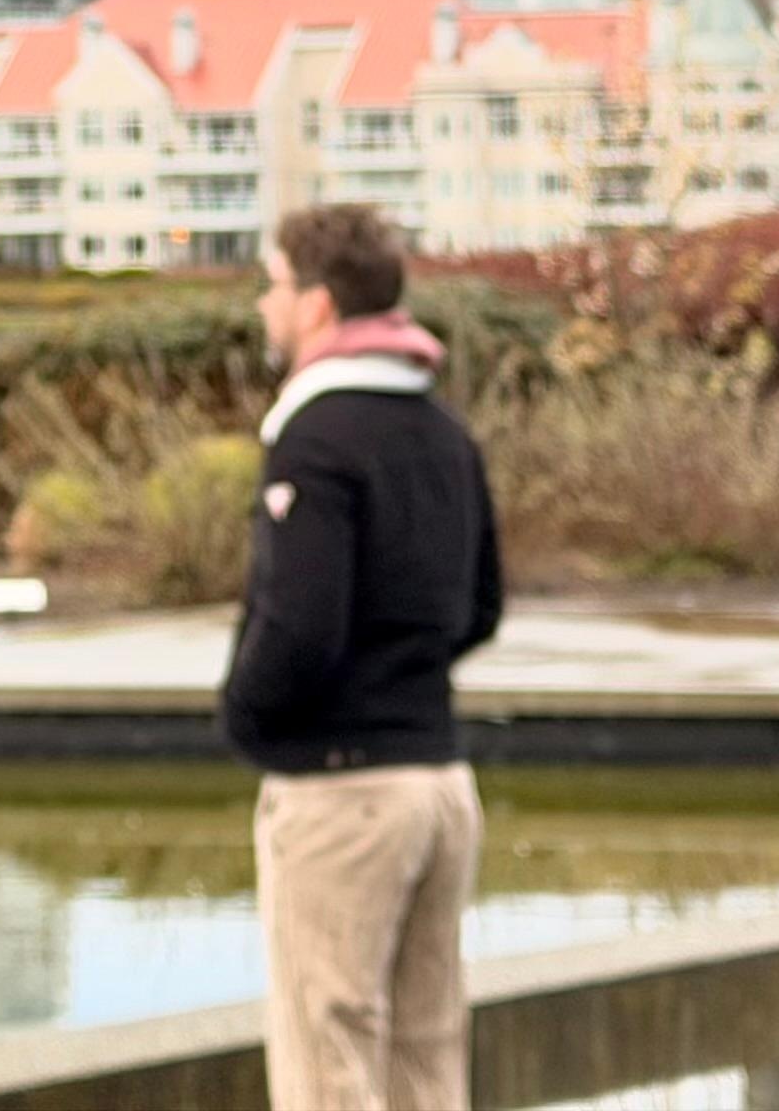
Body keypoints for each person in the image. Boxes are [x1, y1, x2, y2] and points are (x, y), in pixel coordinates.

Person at [218, 203, 504, 1111]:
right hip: (439, 786)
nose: (264, 305)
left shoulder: (316, 436)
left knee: (328, 1067)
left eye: (273, 285)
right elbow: (481, 606)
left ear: (318, 304)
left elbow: (301, 626)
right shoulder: (444, 433)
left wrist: (244, 716)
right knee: (427, 1060)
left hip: (343, 795)